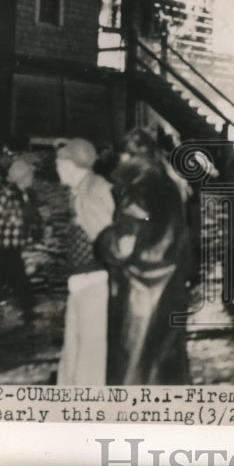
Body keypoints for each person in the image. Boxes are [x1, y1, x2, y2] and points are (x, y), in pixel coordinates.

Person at [96, 129, 192, 384]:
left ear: (127, 157)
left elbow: (122, 246)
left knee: (135, 373)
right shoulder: (171, 182)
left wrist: (104, 239)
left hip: (141, 295)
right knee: (166, 369)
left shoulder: (138, 188)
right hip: (170, 290)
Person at [55, 138, 114, 386]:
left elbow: (112, 240)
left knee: (90, 357)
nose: (56, 168)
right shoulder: (80, 191)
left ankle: (88, 413)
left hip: (95, 284)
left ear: (70, 164)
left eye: (58, 162)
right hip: (82, 283)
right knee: (74, 353)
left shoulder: (96, 190)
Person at [0, 158, 38, 323]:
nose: (32, 178)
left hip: (14, 245)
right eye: (30, 175)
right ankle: (28, 306)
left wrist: (27, 238)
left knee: (2, 277)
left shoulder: (24, 195)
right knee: (15, 277)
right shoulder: (4, 196)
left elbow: (24, 221)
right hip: (6, 245)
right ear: (22, 177)